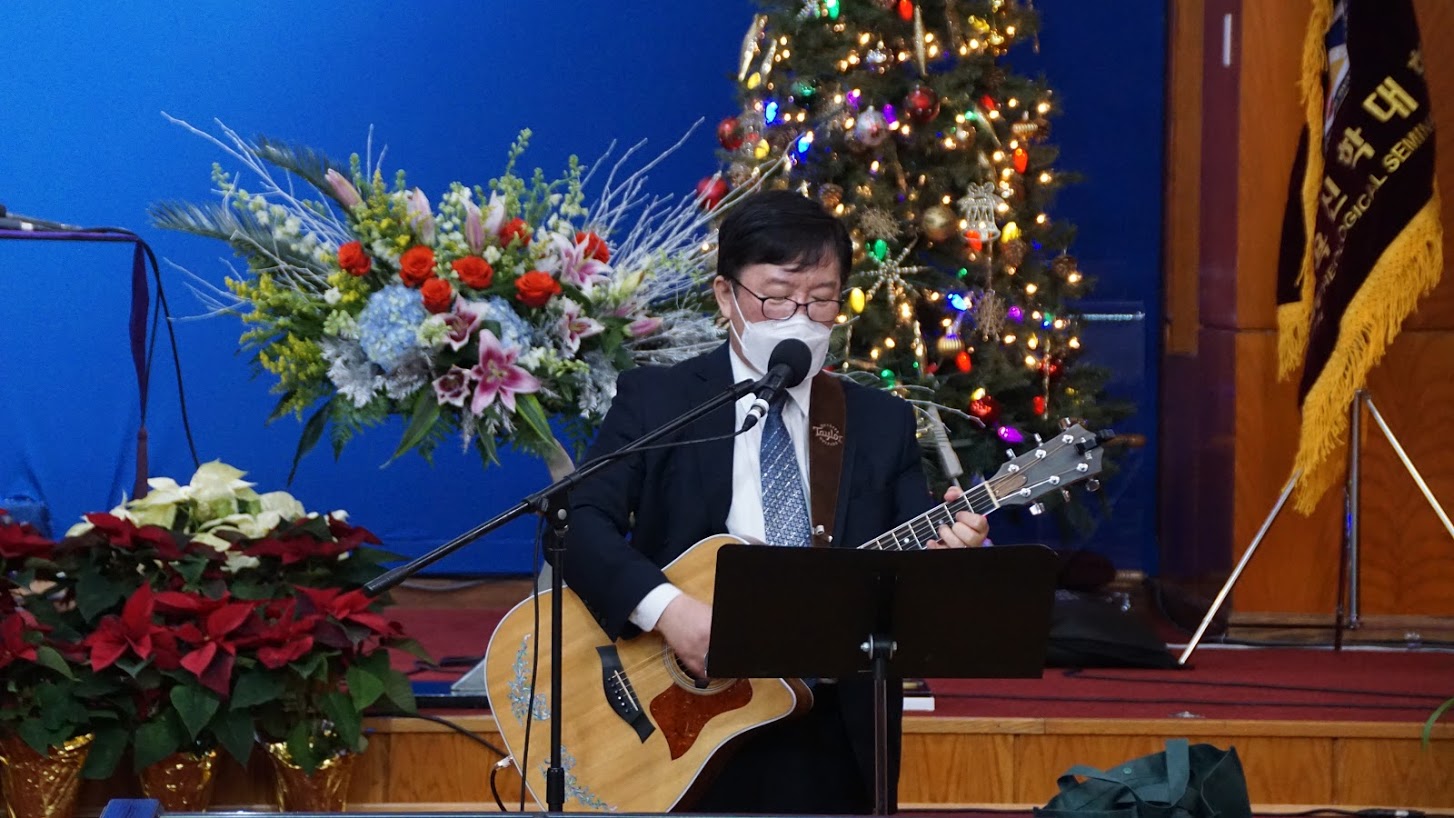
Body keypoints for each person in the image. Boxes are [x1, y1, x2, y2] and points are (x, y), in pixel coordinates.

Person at [562, 189, 989, 814]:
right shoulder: (662, 399)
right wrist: (669, 612)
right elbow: (575, 523)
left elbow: (906, 574)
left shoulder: (879, 422)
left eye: (821, 299)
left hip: (827, 720)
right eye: (778, 296)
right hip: (679, 701)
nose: (800, 318)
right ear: (725, 295)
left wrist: (946, 556)